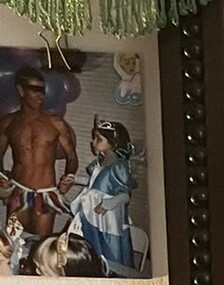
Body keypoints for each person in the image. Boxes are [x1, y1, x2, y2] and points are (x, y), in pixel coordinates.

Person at [0, 71, 77, 239]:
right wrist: (2, 177)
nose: (41, 95)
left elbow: (72, 156)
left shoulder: (56, 123)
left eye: (42, 90)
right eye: (35, 89)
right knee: (11, 242)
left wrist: (69, 177)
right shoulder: (8, 122)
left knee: (41, 246)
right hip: (18, 193)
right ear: (21, 90)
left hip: (46, 194)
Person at [67, 118, 137, 274]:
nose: (93, 142)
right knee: (90, 243)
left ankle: (111, 272)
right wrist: (76, 180)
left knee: (108, 247)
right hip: (92, 213)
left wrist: (108, 204)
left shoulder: (119, 166)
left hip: (108, 218)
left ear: (112, 142)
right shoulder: (100, 163)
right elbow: (97, 184)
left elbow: (125, 195)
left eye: (98, 139)